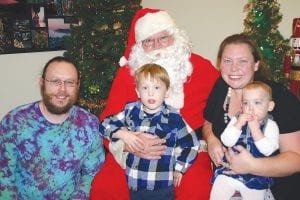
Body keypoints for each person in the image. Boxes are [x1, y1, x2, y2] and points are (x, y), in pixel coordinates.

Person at [91, 8, 219, 200]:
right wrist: (128, 144)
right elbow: (107, 122)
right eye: (149, 41)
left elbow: (225, 104)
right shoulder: (127, 73)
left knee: (196, 191)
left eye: (163, 38)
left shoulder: (201, 67)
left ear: (175, 38)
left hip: (185, 151)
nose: (157, 46)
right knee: (107, 188)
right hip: (134, 150)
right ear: (139, 46)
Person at [203, 33, 300, 200]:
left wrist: (252, 166)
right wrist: (211, 139)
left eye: (242, 61)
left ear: (256, 65)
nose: (234, 68)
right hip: (228, 183)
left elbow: (295, 159)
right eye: (227, 61)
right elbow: (208, 122)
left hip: (275, 189)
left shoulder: (279, 99)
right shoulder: (221, 87)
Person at [0, 56, 105, 199]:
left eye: (70, 82)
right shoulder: (14, 122)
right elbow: (4, 176)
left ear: (78, 86)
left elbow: (91, 174)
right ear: (41, 83)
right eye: (55, 81)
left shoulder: (89, 124)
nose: (62, 90)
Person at [99, 63, 199, 200]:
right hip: (135, 184)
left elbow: (192, 143)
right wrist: (123, 134)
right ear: (138, 92)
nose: (151, 93)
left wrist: (179, 168)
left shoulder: (174, 117)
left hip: (162, 187)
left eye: (157, 87)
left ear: (167, 91)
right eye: (145, 88)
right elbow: (104, 125)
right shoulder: (130, 111)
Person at [210, 81, 279, 200]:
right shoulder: (237, 119)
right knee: (217, 191)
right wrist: (238, 125)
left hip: (256, 175)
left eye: (257, 103)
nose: (250, 108)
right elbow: (226, 141)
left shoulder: (270, 125)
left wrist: (256, 130)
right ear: (241, 106)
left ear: (269, 106)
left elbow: (268, 150)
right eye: (246, 103)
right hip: (229, 171)